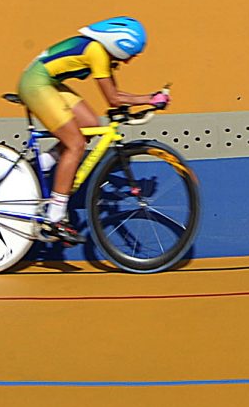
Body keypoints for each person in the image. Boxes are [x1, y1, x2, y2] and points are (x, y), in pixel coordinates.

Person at [18, 19, 165, 243]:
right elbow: (114, 99)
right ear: (119, 45)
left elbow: (115, 95)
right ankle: (54, 218)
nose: (130, 60)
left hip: (47, 80)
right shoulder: (96, 52)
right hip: (36, 84)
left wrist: (144, 100)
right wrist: (150, 99)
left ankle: (43, 164)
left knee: (89, 123)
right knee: (75, 144)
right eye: (130, 54)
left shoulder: (99, 51)